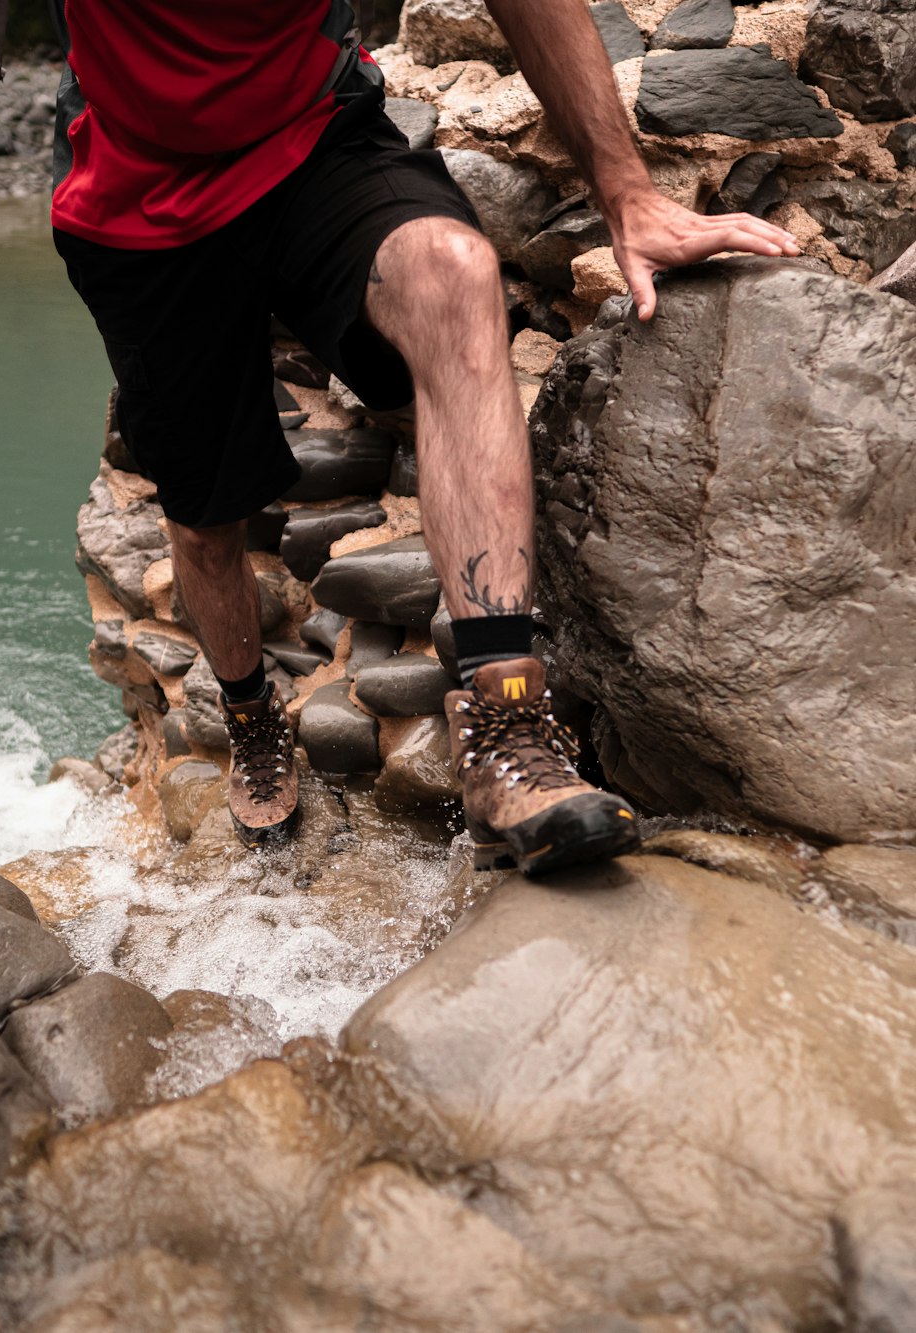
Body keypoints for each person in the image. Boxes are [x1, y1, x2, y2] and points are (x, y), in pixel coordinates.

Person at [45, 0, 799, 876]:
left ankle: (505, 730)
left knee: (453, 271)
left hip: (310, 136)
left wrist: (628, 194)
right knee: (208, 515)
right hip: (142, 197)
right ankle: (252, 719)